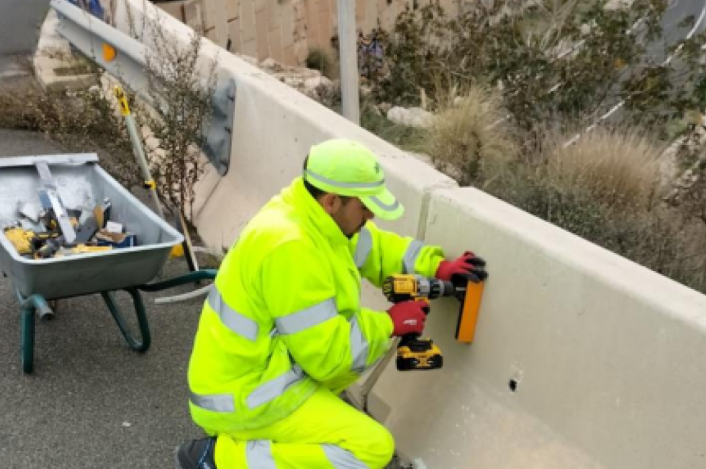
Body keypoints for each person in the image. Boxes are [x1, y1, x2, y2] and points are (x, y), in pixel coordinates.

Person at [176, 139, 488, 469]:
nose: (370, 214)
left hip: (253, 374)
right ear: (332, 201)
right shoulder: (291, 249)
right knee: (371, 448)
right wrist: (390, 323)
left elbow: (377, 249)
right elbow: (328, 358)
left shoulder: (315, 219)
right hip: (245, 397)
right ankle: (220, 459)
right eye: (364, 206)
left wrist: (436, 266)